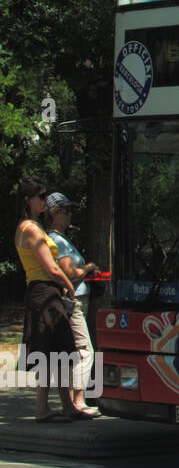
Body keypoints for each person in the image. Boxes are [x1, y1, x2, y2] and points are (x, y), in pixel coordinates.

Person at [13, 180, 82, 422]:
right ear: (27, 200)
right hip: (44, 291)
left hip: (46, 292)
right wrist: (69, 285)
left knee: (58, 350)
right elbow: (51, 266)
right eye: (40, 196)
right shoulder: (30, 229)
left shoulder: (32, 226)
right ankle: (43, 408)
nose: (44, 200)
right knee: (48, 350)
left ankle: (67, 406)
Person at [43, 193, 99, 416]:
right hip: (72, 301)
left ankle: (74, 400)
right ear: (54, 213)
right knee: (85, 349)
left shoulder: (62, 238)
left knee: (75, 350)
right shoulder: (56, 240)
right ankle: (77, 400)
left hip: (77, 300)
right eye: (65, 211)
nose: (70, 215)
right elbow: (69, 273)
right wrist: (88, 268)